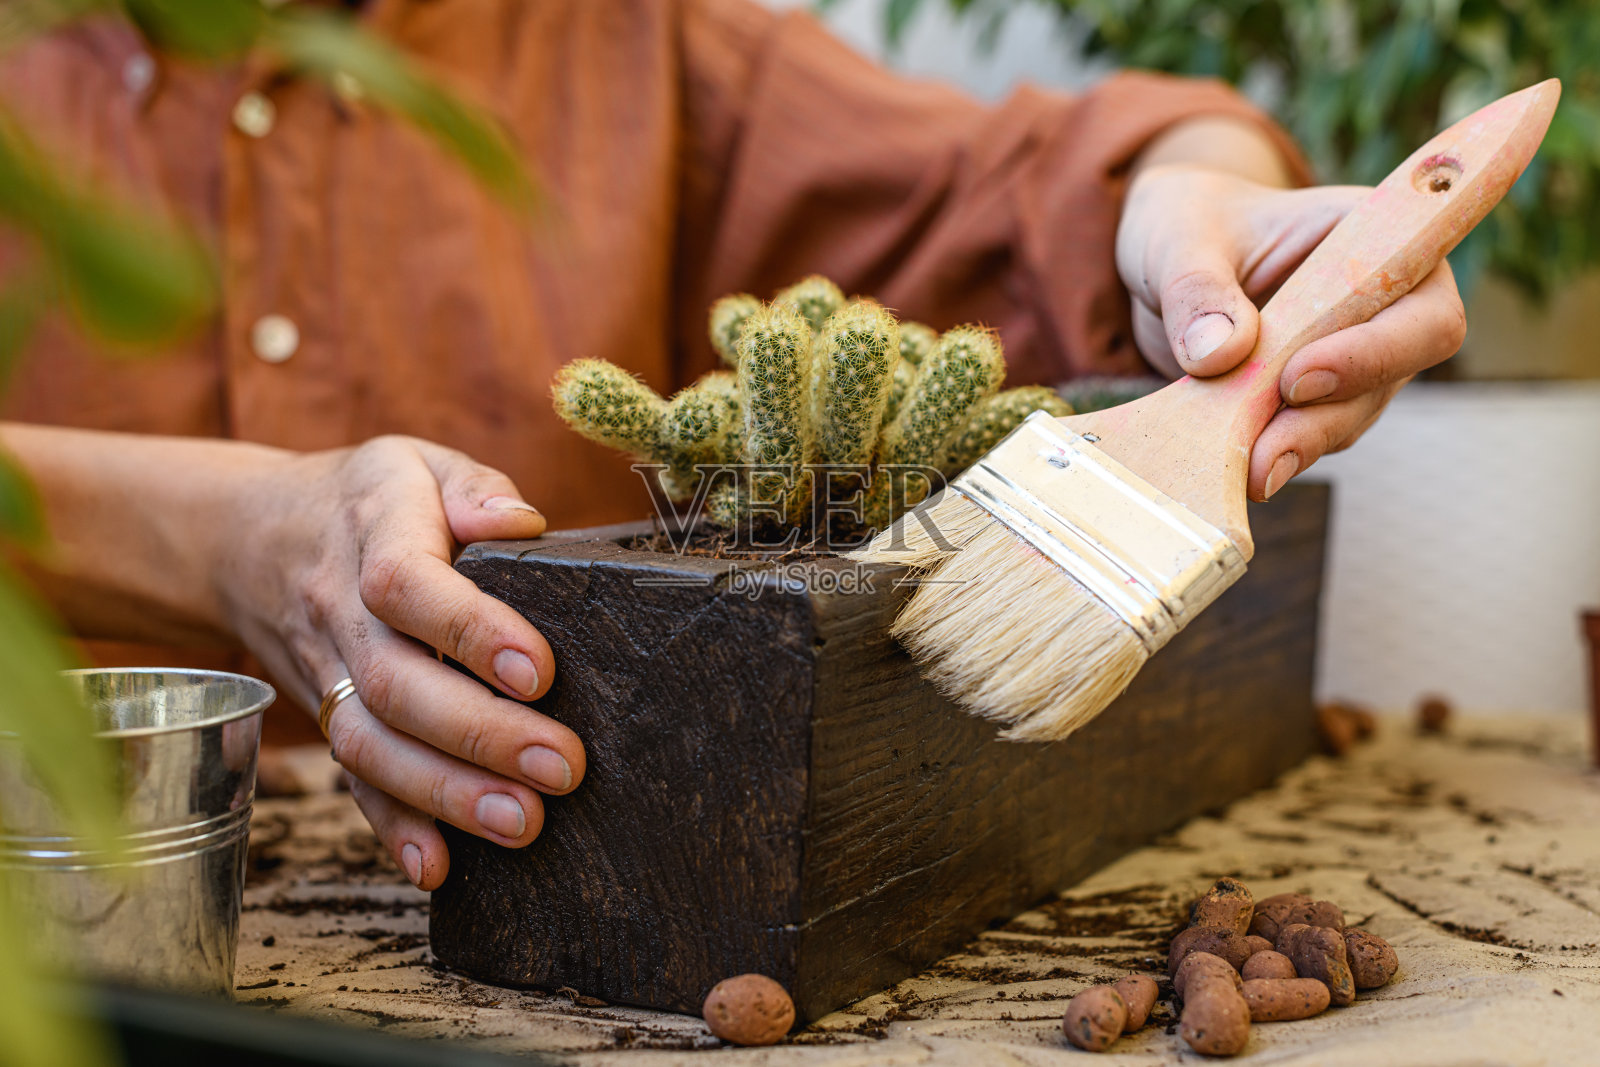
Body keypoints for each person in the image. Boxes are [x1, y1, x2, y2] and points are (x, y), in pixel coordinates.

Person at [0, 0, 1464, 890]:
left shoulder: (633, 38)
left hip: (565, 881)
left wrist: (1204, 215)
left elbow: (1039, 181)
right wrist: (219, 536)